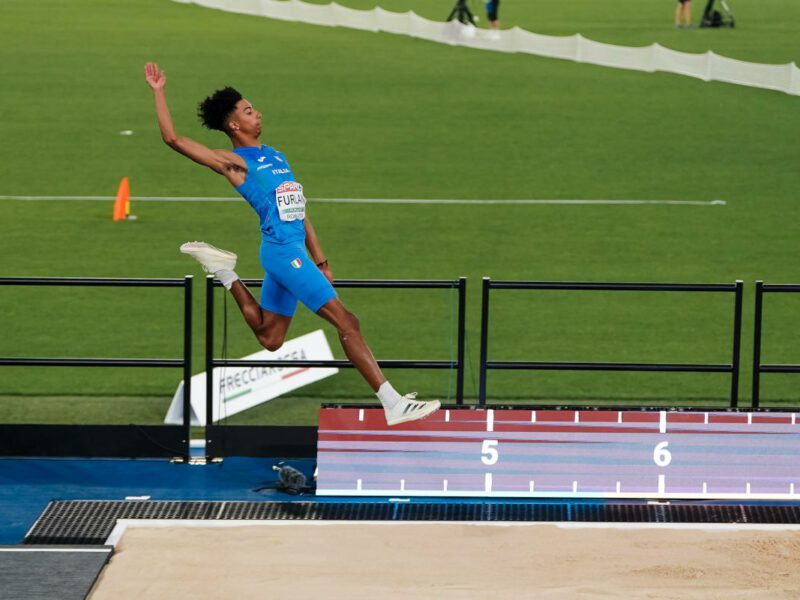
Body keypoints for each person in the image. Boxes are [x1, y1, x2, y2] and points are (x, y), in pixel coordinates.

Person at [143, 62, 440, 426]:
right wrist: (159, 92)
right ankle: (391, 402)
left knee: (271, 338)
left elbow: (300, 212)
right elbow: (173, 140)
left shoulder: (278, 156)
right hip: (283, 254)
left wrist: (321, 260)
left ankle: (224, 272)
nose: (258, 113)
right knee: (347, 320)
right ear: (234, 125)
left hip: (293, 254)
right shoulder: (234, 164)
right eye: (249, 111)